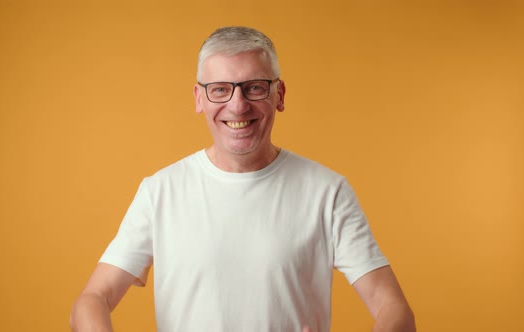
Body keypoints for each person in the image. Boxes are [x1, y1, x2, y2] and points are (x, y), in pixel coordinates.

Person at [70, 26, 415, 332]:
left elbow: (394, 310)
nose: (237, 106)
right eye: (220, 89)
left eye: (254, 87)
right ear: (199, 99)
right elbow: (92, 299)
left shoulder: (328, 192)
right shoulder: (160, 192)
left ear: (278, 95)